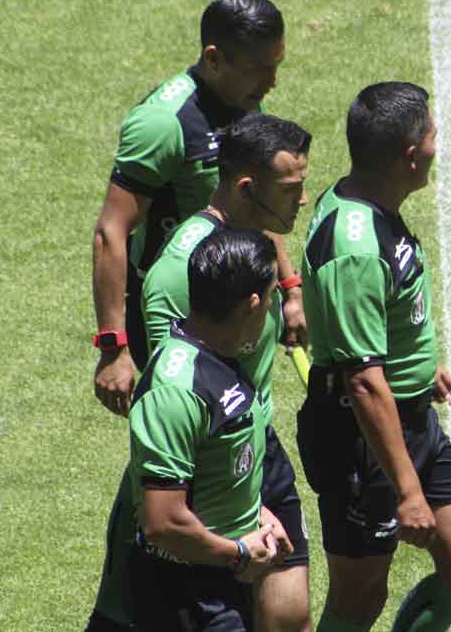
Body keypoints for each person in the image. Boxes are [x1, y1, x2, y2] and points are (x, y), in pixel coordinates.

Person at [87, 113, 313, 632]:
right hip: (205, 465)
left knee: (290, 618)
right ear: (247, 187)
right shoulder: (177, 273)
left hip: (255, 439)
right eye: (291, 189)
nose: (301, 201)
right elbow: (180, 391)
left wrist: (292, 289)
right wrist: (242, 503)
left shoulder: (256, 223)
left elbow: (269, 229)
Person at [298, 82, 451, 632]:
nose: (437, 145)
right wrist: (408, 491)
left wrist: (417, 360)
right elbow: (362, 381)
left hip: (410, 417)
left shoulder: (370, 202)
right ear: (411, 154)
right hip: (363, 439)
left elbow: (377, 320)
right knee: (359, 600)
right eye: (432, 135)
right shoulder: (356, 246)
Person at [92, 0, 306, 418]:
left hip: (239, 298)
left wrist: (288, 287)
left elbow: (254, 204)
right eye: (259, 68)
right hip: (176, 308)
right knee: (187, 431)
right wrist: (114, 346)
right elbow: (111, 232)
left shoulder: (245, 100)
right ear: (213, 59)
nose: (271, 82)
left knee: (236, 429)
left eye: (276, 65)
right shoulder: (162, 124)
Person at [115, 228, 290, 631]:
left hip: (218, 578)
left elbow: (213, 472)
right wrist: (238, 554)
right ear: (252, 304)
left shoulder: (219, 358)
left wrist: (257, 514)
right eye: (272, 295)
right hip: (185, 594)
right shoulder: (178, 389)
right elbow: (163, 522)